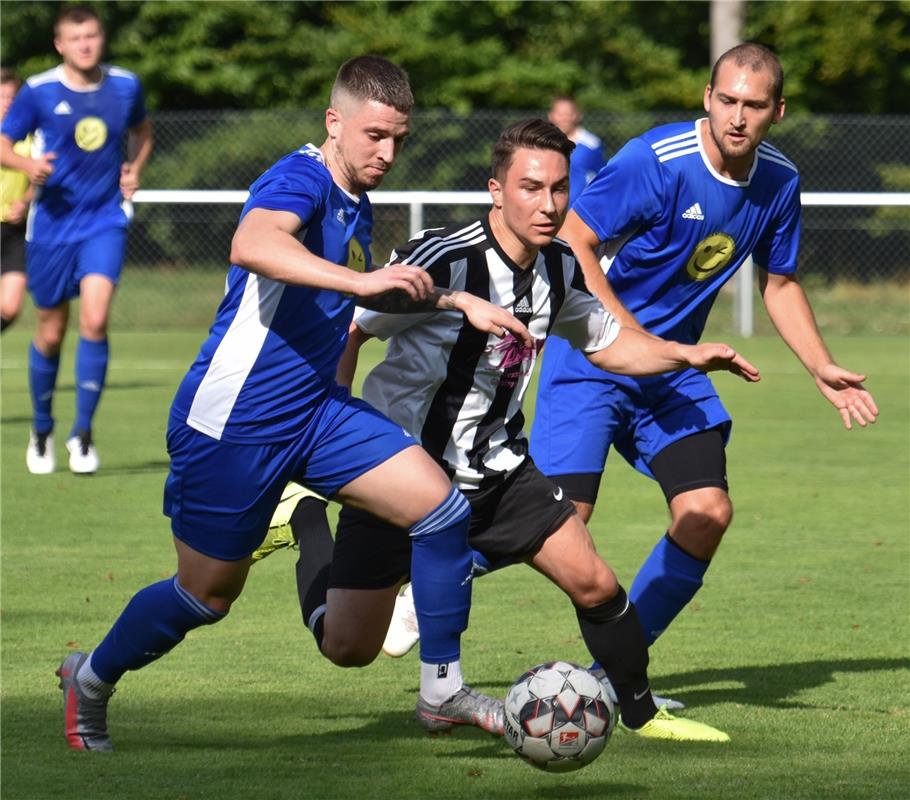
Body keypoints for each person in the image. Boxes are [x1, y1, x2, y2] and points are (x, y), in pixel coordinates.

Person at [53, 55, 530, 753]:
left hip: (316, 411)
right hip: (236, 421)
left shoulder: (355, 201)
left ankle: (441, 691)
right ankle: (89, 680)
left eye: (398, 138)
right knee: (205, 596)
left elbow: (366, 287)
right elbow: (254, 244)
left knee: (441, 508)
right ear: (334, 122)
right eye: (374, 136)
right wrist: (362, 284)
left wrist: (458, 301)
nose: (387, 153)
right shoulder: (299, 176)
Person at [268, 118, 763, 741]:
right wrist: (335, 422)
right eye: (531, 188)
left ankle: (640, 712)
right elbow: (353, 327)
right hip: (403, 478)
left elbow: (609, 346)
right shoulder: (445, 257)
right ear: (496, 189)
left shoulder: (559, 267)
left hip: (499, 472)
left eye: (559, 189)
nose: (550, 204)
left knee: (595, 581)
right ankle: (306, 519)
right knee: (347, 646)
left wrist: (685, 354)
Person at [529, 43, 879, 653]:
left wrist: (820, 365)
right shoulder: (656, 160)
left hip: (673, 369)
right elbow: (573, 238)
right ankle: (415, 571)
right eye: (728, 101)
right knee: (562, 526)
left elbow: (782, 282)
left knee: (707, 512)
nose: (738, 117)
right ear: (707, 99)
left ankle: (617, 673)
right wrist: (626, 335)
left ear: (778, 111)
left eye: (754, 105)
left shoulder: (779, 181)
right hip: (591, 357)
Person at [0, 5, 153, 475]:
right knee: (49, 331)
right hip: (51, 228)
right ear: (60, 45)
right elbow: (3, 144)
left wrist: (133, 169)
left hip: (103, 220)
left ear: (101, 39)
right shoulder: (40, 91)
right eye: (75, 37)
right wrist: (29, 168)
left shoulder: (125, 85)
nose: (85, 44)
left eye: (92, 35)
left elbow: (142, 131)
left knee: (96, 318)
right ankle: (42, 428)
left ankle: (82, 434)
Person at [1, 68, 31, 333]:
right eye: (2, 96)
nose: (8, 102)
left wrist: (26, 201)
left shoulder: (30, 136)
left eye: (12, 96)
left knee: (10, 307)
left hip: (14, 231)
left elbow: (41, 176)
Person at [547, 95, 606, 205]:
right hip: (549, 207)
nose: (564, 118)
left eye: (568, 114)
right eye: (560, 114)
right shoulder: (542, 144)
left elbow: (601, 178)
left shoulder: (591, 144)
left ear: (578, 115)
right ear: (551, 116)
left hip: (579, 211)